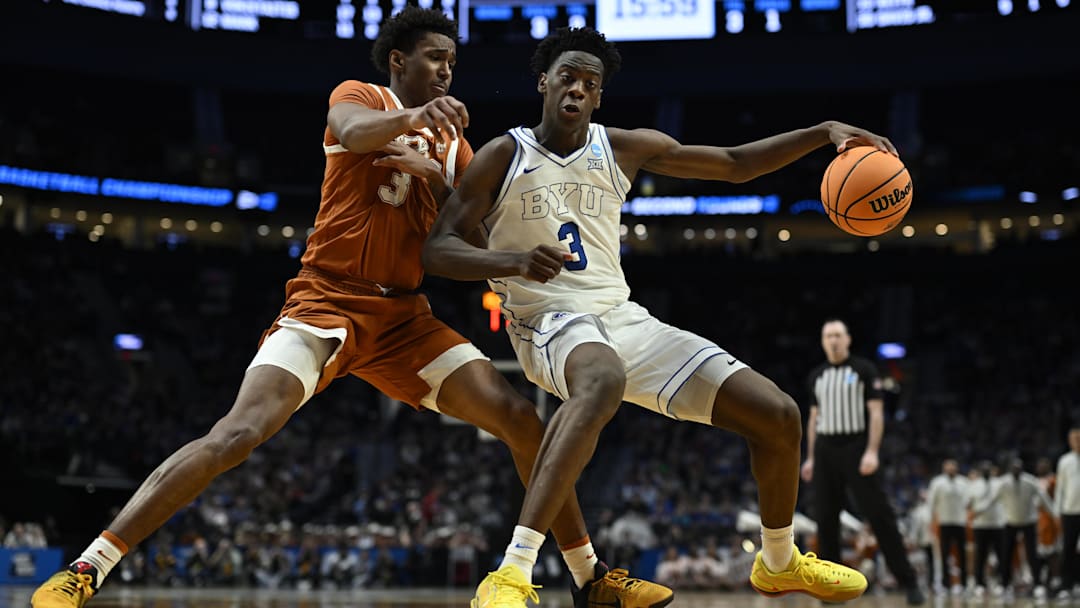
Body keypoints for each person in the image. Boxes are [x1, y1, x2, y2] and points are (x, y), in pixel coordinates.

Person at [29, 10, 665, 608]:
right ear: (398, 60)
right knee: (237, 434)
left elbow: (478, 238)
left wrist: (437, 174)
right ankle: (87, 568)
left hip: (404, 321)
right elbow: (353, 133)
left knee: (522, 421)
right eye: (435, 58)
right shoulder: (361, 97)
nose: (447, 70)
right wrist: (413, 119)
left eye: (452, 62)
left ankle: (590, 581)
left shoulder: (455, 147)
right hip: (325, 300)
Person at [423, 25, 893, 608]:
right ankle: (513, 571)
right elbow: (438, 249)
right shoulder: (505, 153)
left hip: (622, 317)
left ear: (598, 98)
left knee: (778, 415)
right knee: (603, 380)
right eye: (567, 76)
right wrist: (511, 260)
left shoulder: (620, 147)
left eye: (589, 83)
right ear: (544, 82)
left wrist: (823, 132)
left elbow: (734, 164)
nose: (576, 89)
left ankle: (778, 562)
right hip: (545, 321)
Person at [800, 319, 925, 605]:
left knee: (879, 515)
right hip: (825, 448)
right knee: (826, 521)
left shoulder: (864, 370)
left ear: (848, 339)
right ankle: (832, 590)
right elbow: (814, 420)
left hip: (856, 446)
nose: (833, 340)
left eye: (837, 335)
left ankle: (909, 581)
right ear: (822, 341)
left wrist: (872, 451)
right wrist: (810, 457)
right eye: (828, 335)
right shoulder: (816, 376)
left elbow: (877, 414)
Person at [974, 456, 1053, 598]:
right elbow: (992, 499)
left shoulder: (1030, 481)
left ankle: (1038, 584)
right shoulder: (1004, 483)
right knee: (1006, 554)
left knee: (1032, 554)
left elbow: (1043, 498)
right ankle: (1005, 584)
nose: (1016, 471)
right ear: (1010, 469)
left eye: (1019, 468)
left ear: (1022, 469)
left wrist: (1055, 514)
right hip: (1010, 522)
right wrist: (979, 511)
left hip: (1029, 521)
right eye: (1014, 468)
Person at [926, 458, 970, 595]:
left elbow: (969, 501)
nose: (951, 469)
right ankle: (946, 584)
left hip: (960, 522)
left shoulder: (964, 482)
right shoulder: (937, 483)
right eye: (948, 467)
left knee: (962, 554)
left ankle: (963, 584)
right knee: (944, 554)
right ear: (944, 468)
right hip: (944, 522)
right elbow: (931, 503)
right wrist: (931, 521)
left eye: (953, 467)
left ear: (956, 468)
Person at [967, 460, 1006, 598]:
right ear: (979, 470)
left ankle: (1003, 583)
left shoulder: (999, 483)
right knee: (980, 556)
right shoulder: (974, 485)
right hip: (980, 525)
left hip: (997, 524)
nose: (986, 470)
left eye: (988, 468)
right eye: (983, 468)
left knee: (1002, 555)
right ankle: (979, 584)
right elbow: (968, 503)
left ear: (992, 470)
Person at [1054, 426, 1080, 600]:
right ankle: (1066, 585)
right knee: (1068, 549)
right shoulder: (1064, 461)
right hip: (1069, 511)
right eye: (1074, 439)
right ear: (1070, 441)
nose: (1077, 441)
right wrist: (1057, 511)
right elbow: (1060, 488)